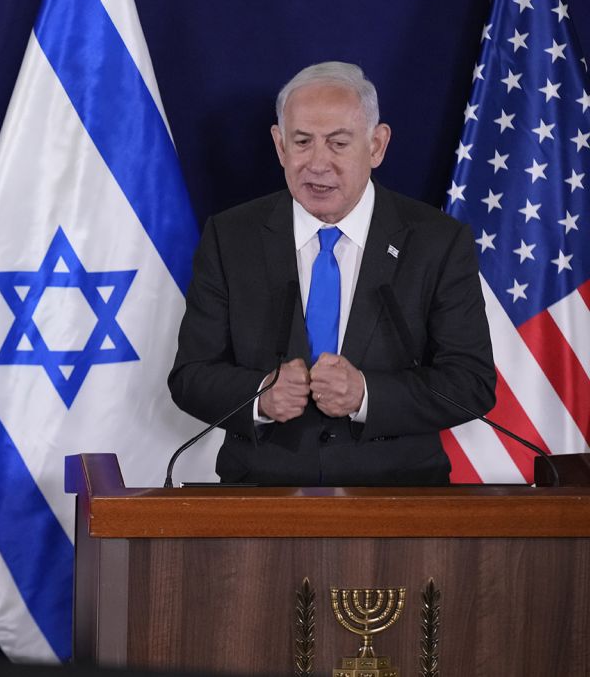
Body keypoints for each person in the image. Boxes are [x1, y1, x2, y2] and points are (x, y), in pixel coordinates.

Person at [169, 61, 495, 485]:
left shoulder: (437, 242)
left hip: (400, 501)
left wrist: (366, 395)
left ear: (376, 145)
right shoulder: (230, 238)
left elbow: (470, 383)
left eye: (338, 143)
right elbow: (191, 376)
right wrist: (260, 397)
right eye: (302, 142)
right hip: (261, 501)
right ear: (279, 145)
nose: (317, 163)